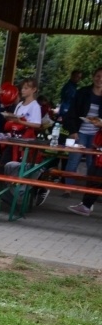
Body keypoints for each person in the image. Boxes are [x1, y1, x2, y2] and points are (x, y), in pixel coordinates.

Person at [66, 67, 102, 216]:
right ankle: (68, 189)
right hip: (81, 131)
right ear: (93, 77)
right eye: (98, 76)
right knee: (73, 160)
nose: (100, 79)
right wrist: (73, 130)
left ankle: (88, 197)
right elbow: (72, 112)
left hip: (97, 135)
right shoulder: (83, 92)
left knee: (93, 165)